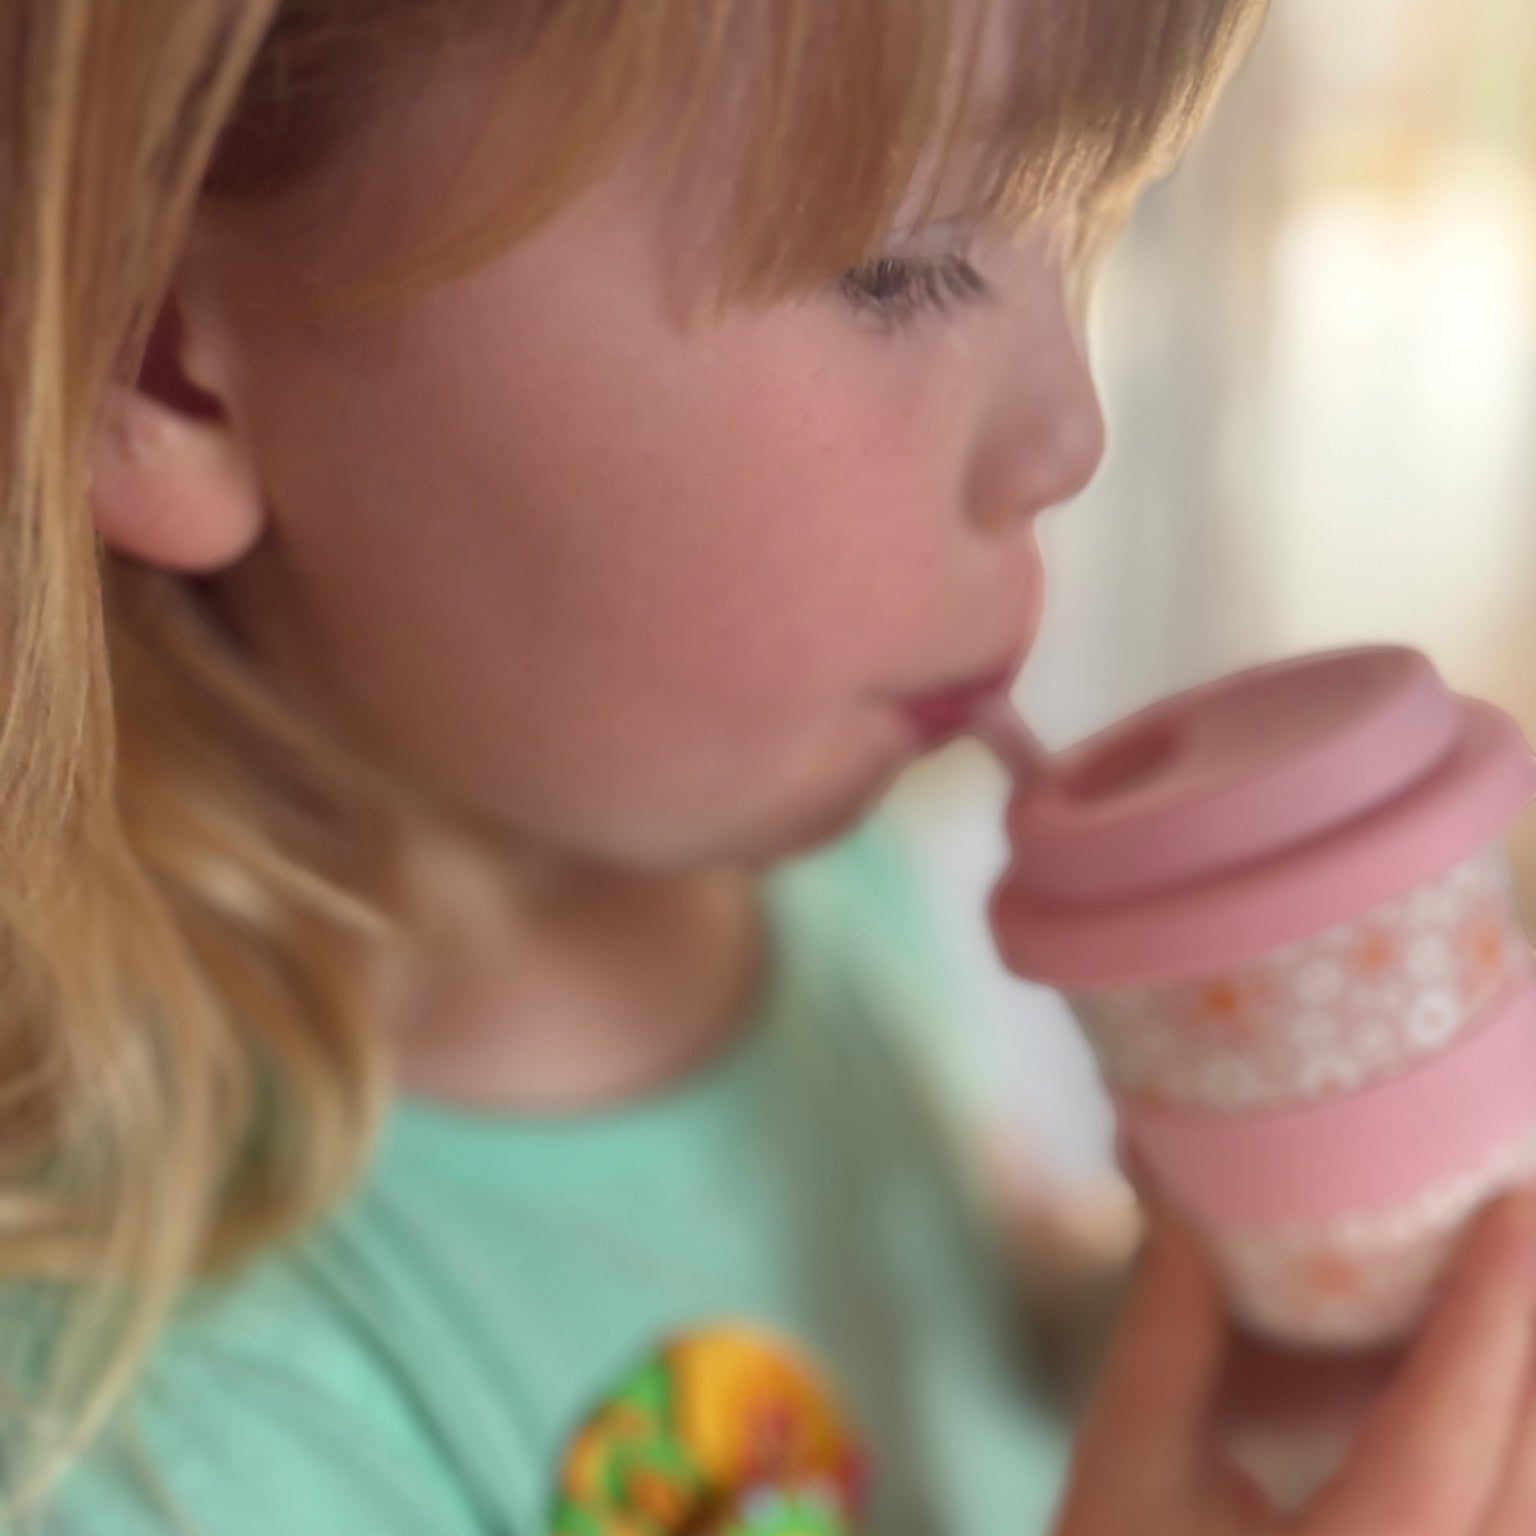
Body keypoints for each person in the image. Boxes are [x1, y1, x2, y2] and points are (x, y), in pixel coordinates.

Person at [6, 2, 1536, 1532]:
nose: (1071, 434)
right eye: (902, 264)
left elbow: (961, 1350)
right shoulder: (136, 1428)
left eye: (1082, 231)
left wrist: (1270, 1359)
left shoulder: (801, 864)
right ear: (163, 354)